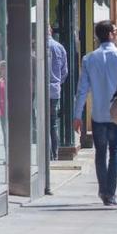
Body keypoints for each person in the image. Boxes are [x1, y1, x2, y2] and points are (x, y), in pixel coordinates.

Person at [74, 21, 117, 206]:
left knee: (100, 152)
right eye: (116, 31)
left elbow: (82, 89)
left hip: (98, 114)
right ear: (109, 34)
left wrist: (77, 114)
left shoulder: (89, 59)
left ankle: (103, 189)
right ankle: (110, 192)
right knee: (116, 151)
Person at [47, 26, 68, 161]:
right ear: (51, 31)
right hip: (54, 89)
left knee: (40, 123)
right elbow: (64, 71)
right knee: (53, 123)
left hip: (40, 90)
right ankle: (54, 154)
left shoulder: (36, 46)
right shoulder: (59, 47)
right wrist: (57, 83)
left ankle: (46, 153)